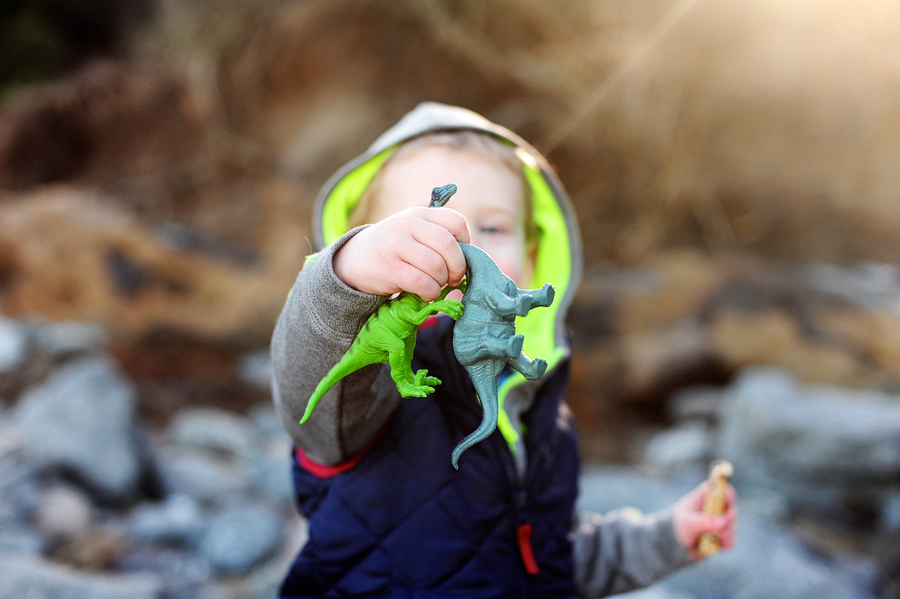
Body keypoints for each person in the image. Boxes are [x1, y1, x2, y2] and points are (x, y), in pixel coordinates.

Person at [271, 102, 736, 598]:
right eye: (422, 233)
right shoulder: (367, 391)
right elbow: (309, 387)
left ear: (533, 257)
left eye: (492, 228)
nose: (459, 249)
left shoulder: (540, 406)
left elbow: (548, 558)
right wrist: (344, 279)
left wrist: (665, 539)